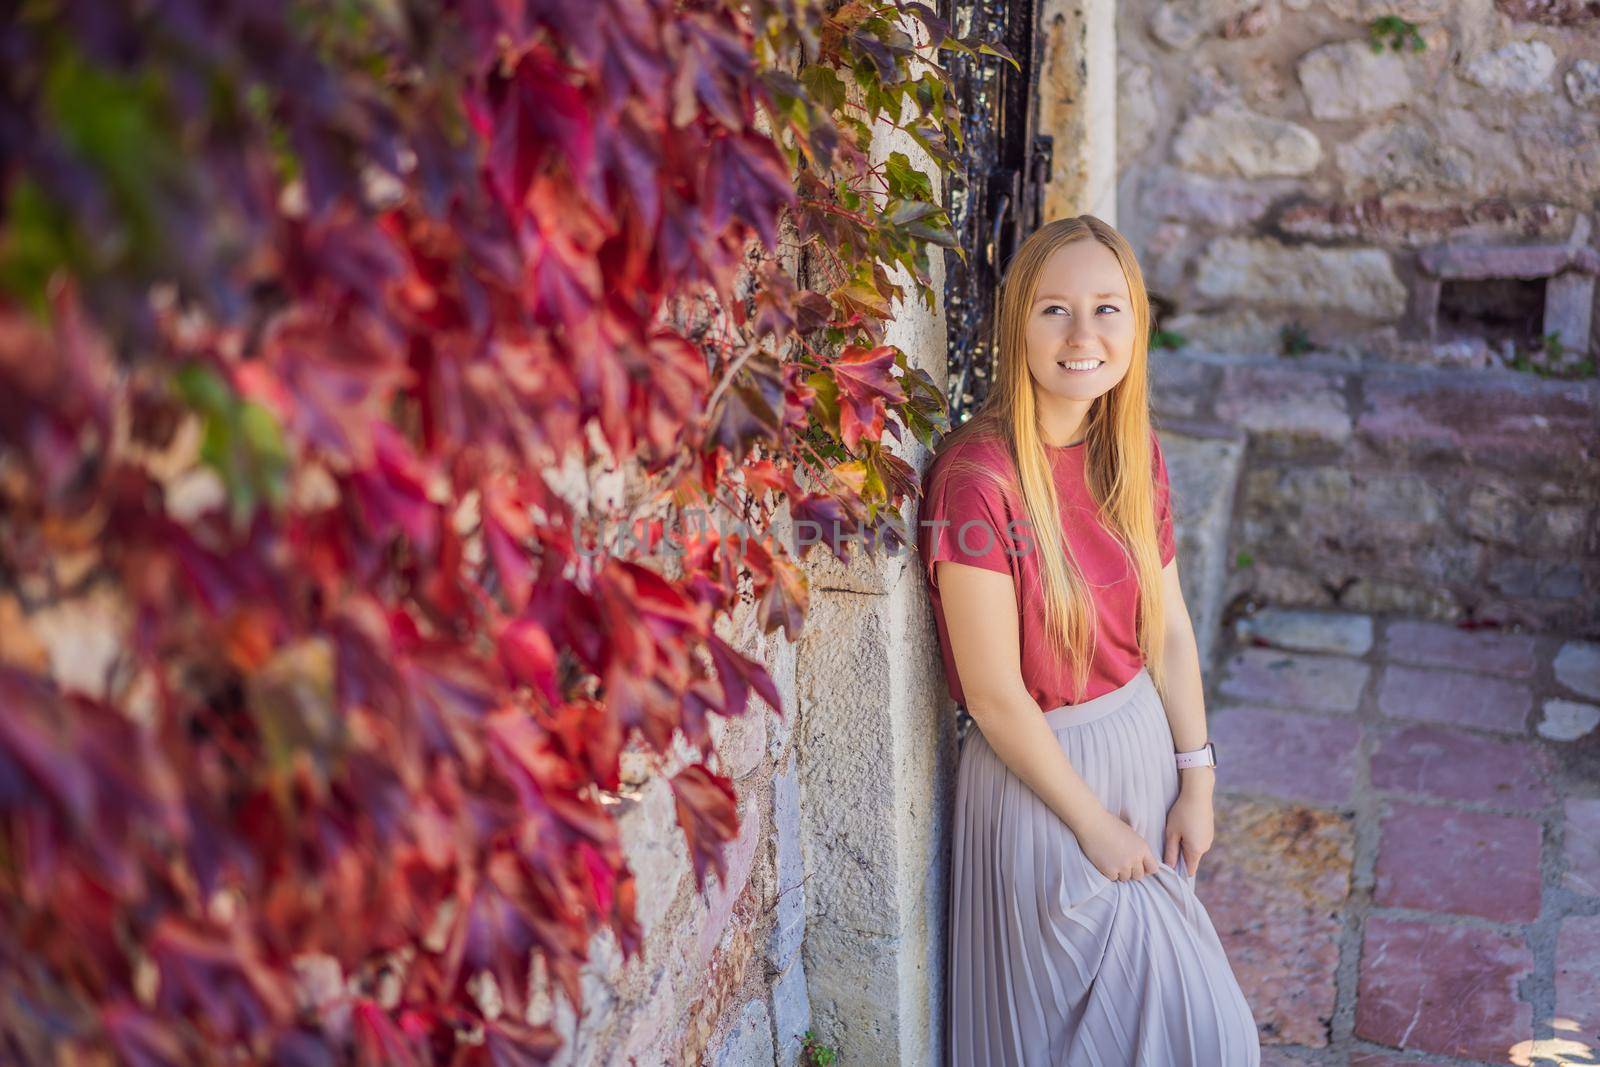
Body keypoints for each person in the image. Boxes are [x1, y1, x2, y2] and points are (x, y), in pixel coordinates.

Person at [917, 215, 1261, 1066]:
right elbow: (995, 692)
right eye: (1053, 310)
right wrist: (1092, 827)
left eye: (1107, 309)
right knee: (1203, 1039)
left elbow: (1171, 632)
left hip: (1143, 757)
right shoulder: (977, 478)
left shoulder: (1131, 453)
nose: (1083, 336)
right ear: (1017, 328)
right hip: (1045, 788)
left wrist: (1198, 779)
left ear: (1136, 325)